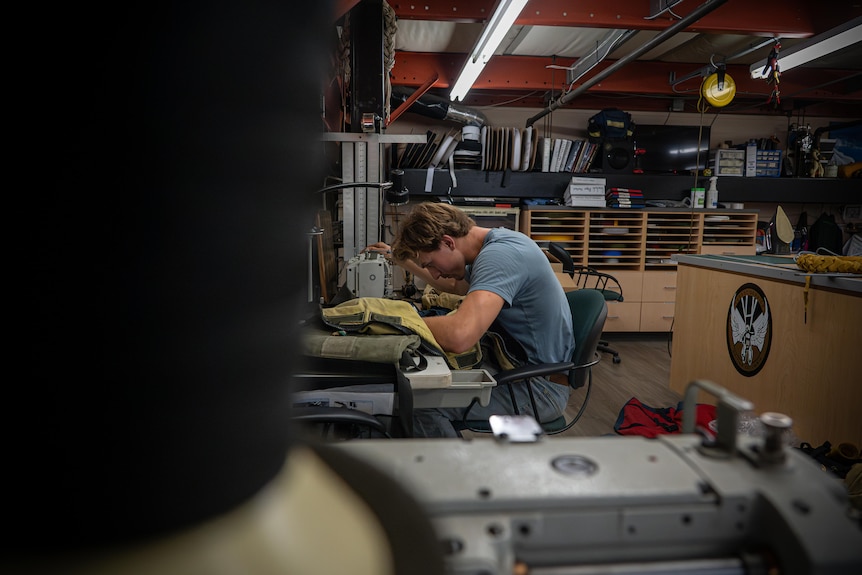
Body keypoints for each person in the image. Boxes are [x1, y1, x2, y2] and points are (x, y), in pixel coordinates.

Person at [366, 202, 574, 437]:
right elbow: (455, 285)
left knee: (420, 402)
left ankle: (453, 472)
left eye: (431, 264)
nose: (433, 273)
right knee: (420, 381)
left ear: (447, 242)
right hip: (520, 370)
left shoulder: (500, 257)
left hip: (537, 389)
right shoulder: (496, 244)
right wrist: (403, 261)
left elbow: (459, 336)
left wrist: (390, 323)